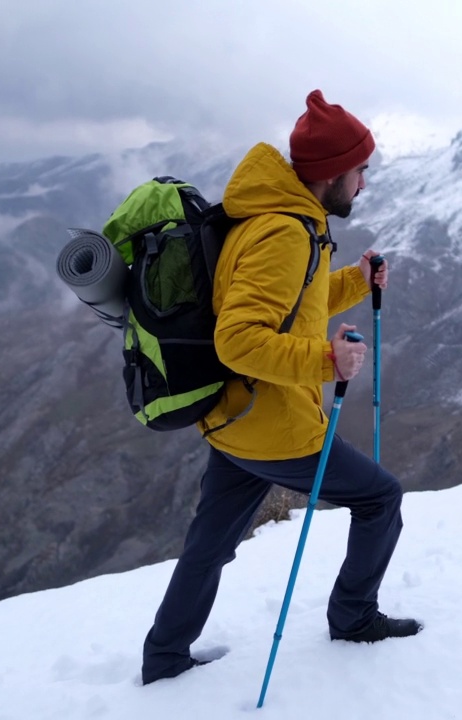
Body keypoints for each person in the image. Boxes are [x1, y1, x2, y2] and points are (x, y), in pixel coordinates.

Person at [141, 89, 421, 684]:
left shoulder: (282, 217)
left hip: (235, 419)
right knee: (380, 499)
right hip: (276, 426)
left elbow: (296, 302)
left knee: (209, 545)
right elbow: (239, 340)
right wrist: (328, 361)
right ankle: (353, 619)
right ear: (330, 174)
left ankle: (163, 658)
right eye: (359, 171)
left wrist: (355, 279)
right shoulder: (285, 233)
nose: (364, 183)